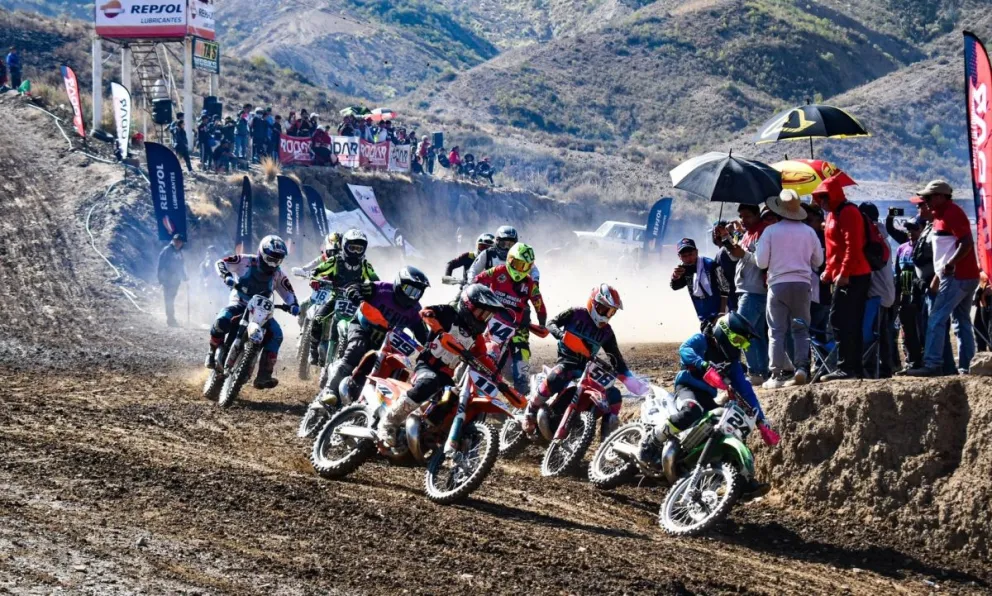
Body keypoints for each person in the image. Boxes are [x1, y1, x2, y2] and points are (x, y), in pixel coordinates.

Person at [637, 312, 779, 499]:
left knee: (728, 428)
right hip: (687, 387)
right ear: (723, 332)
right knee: (692, 410)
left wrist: (761, 421)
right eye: (737, 340)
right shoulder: (703, 340)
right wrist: (703, 365)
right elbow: (685, 349)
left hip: (707, 396)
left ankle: (741, 481)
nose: (739, 346)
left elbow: (746, 391)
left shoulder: (732, 363)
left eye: (743, 344)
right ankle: (652, 440)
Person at [377, 284, 506, 447]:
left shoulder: (477, 338)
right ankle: (389, 422)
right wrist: (438, 329)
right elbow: (425, 312)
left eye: (487, 316)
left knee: (456, 400)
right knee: (430, 381)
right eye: (481, 313)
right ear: (469, 305)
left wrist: (498, 378)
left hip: (446, 377)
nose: (483, 319)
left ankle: (429, 434)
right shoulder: (449, 314)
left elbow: (483, 358)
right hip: (426, 366)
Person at [519, 284, 648, 440]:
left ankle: (608, 442)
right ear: (594, 303)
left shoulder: (607, 332)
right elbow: (551, 324)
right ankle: (530, 411)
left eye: (611, 312)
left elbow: (617, 361)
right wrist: (561, 335)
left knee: (614, 395)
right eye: (604, 309)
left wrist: (638, 386)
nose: (607, 315)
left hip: (586, 370)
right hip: (567, 362)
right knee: (558, 374)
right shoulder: (576, 313)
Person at [317, 267, 431, 408]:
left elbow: (424, 335)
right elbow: (354, 287)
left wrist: (430, 347)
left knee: (396, 366)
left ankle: (373, 401)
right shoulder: (381, 289)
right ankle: (330, 390)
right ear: (399, 283)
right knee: (356, 348)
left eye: (417, 292)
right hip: (362, 327)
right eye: (409, 289)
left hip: (386, 342)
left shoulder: (415, 312)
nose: (412, 296)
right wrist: (356, 296)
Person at [907, 180, 981, 376]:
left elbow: (966, 242)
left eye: (928, 198)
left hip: (957, 276)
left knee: (937, 317)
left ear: (940, 196)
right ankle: (967, 366)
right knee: (961, 321)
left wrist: (950, 265)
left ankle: (932, 363)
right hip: (962, 276)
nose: (926, 201)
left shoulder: (952, 213)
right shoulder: (940, 215)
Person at [208, 236, 300, 389]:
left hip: (261, 312)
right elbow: (221, 263)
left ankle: (264, 375)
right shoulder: (245, 261)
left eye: (278, 260)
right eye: (271, 259)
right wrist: (227, 276)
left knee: (276, 334)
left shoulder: (278, 274)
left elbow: (289, 292)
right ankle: (212, 353)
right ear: (262, 253)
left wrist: (293, 305)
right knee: (222, 321)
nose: (273, 263)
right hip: (240, 303)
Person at [755, 190, 824, 388]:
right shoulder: (809, 232)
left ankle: (776, 375)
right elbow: (818, 261)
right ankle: (802, 368)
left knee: (776, 331)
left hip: (777, 285)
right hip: (803, 285)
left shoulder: (770, 231)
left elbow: (761, 263)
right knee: (801, 329)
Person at [811, 176, 873, 381]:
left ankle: (847, 367)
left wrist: (844, 272)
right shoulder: (831, 216)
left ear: (833, 195)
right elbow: (833, 249)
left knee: (841, 320)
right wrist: (829, 272)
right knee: (845, 321)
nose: (822, 202)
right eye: (819, 198)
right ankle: (852, 368)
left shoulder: (849, 212)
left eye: (824, 197)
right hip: (842, 275)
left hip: (854, 275)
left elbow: (853, 246)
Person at [473, 243, 548, 394]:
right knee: (485, 348)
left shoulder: (530, 284)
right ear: (509, 259)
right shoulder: (498, 271)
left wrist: (542, 323)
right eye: (517, 264)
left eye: (524, 266)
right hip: (492, 320)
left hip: (518, 327)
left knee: (522, 357)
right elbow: (477, 280)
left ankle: (523, 392)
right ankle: (471, 377)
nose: (520, 269)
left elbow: (539, 305)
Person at [307, 229, 379, 365]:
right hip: (336, 297)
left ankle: (361, 359)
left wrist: (376, 290)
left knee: (369, 327)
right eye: (353, 248)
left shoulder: (365, 265)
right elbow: (318, 270)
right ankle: (313, 351)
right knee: (317, 319)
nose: (356, 252)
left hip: (356, 301)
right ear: (345, 246)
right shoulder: (335, 261)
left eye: (359, 249)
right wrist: (313, 279)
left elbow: (376, 281)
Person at [726, 203, 770, 384]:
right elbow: (734, 256)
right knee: (756, 333)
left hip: (754, 290)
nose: (744, 220)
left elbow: (762, 261)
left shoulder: (762, 232)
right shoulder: (747, 234)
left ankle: (755, 371)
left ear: (757, 215)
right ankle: (760, 372)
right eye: (741, 217)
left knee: (739, 331)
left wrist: (743, 253)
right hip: (745, 289)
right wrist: (727, 238)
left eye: (747, 216)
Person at [859, 202, 897, 378]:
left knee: (873, 332)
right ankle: (885, 367)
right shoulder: (881, 235)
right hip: (885, 292)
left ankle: (874, 367)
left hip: (877, 293)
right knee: (883, 332)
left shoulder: (871, 236)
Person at [670, 238, 728, 328]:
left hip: (723, 313)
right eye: (684, 256)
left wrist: (722, 312)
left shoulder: (711, 264)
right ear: (679, 257)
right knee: (710, 339)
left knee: (731, 339)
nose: (688, 258)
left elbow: (725, 287)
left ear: (696, 252)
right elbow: (675, 286)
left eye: (690, 254)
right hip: (704, 317)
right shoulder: (683, 270)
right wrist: (675, 277)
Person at [894, 217, 926, 371]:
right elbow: (897, 273)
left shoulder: (925, 247)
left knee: (922, 328)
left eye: (914, 228)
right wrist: (897, 295)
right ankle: (911, 361)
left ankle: (925, 360)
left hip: (921, 296)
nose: (911, 232)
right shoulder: (902, 248)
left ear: (922, 230)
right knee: (907, 330)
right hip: (905, 296)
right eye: (908, 229)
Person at [157, 233, 187, 327]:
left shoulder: (179, 252)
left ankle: (171, 318)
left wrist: (184, 276)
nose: (178, 243)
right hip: (168, 279)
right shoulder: (167, 251)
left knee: (172, 299)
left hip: (176, 280)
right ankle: (170, 319)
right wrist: (161, 279)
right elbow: (160, 265)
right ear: (173, 241)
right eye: (176, 241)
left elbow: (180, 266)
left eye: (180, 242)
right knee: (168, 299)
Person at [711, 221, 738, 311]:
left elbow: (723, 285)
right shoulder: (738, 247)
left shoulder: (722, 253)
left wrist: (722, 310)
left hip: (734, 301)